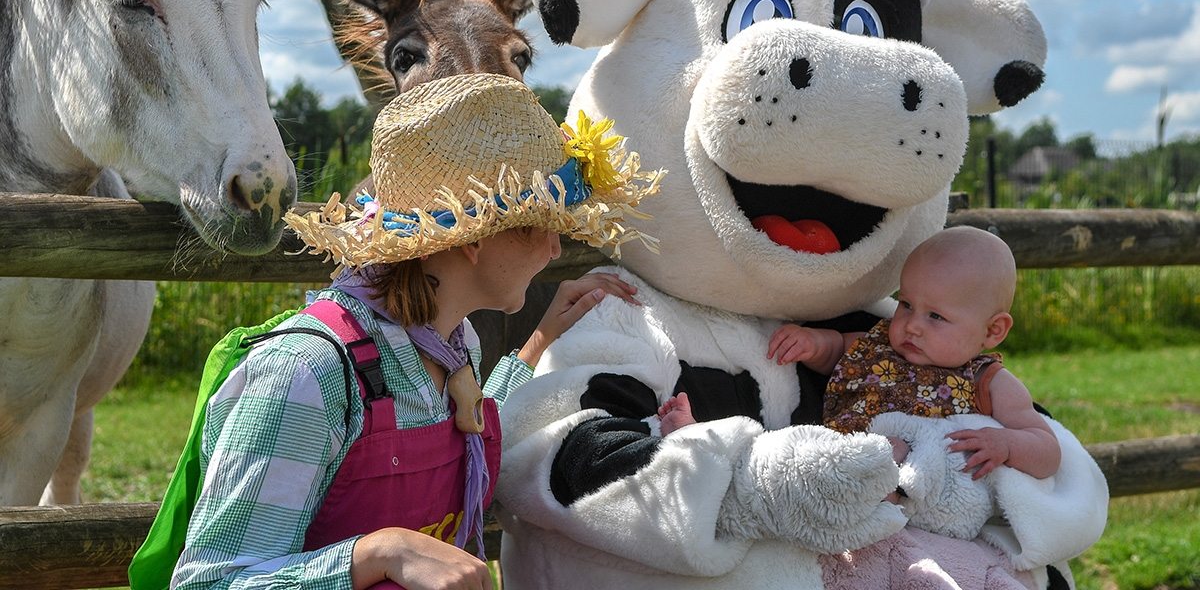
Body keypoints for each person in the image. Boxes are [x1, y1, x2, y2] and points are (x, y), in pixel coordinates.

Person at [172, 73, 662, 590]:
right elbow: (207, 582)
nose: (556, 248)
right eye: (540, 224)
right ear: (475, 238)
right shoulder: (306, 375)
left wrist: (540, 340)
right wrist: (381, 552)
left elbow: (461, 421)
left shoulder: (454, 345)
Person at [659, 226, 1060, 487]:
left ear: (993, 331)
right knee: (777, 452)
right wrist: (812, 344)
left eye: (936, 316)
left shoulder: (988, 382)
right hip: (835, 459)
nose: (912, 325)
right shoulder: (881, 344)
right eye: (906, 304)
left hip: (911, 483)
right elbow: (838, 350)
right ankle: (704, 444)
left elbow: (1048, 449)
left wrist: (1005, 443)